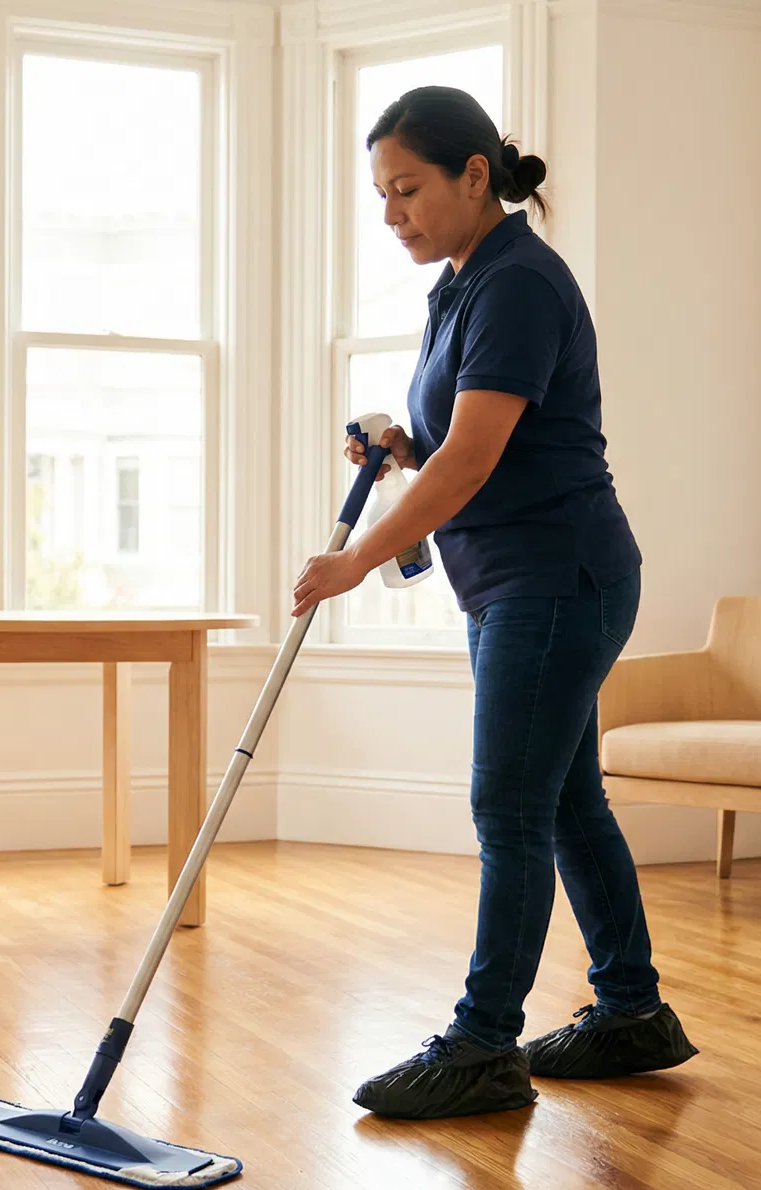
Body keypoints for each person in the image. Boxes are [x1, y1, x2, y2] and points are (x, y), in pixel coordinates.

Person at [291, 87, 698, 1119]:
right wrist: (399, 445)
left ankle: (482, 1044)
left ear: (475, 175)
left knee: (509, 809)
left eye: (408, 190)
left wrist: (356, 561)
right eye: (381, 196)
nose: (393, 216)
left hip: (556, 580)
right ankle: (631, 1010)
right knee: (563, 801)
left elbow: (472, 464)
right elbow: (464, 446)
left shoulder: (517, 283)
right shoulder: (464, 282)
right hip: (526, 581)